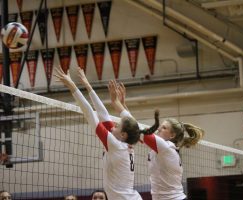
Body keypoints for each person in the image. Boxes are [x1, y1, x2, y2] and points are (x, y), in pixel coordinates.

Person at [54, 66, 142, 200]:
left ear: (123, 135)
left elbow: (90, 114)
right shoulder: (122, 143)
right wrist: (87, 84)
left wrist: (72, 86)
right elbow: (103, 114)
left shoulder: (116, 145)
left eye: (118, 125)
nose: (114, 125)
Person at [108, 81, 205, 200]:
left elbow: (137, 128)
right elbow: (134, 129)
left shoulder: (166, 147)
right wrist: (123, 104)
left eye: (164, 128)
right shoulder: (163, 147)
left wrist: (116, 103)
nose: (158, 128)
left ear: (172, 135)